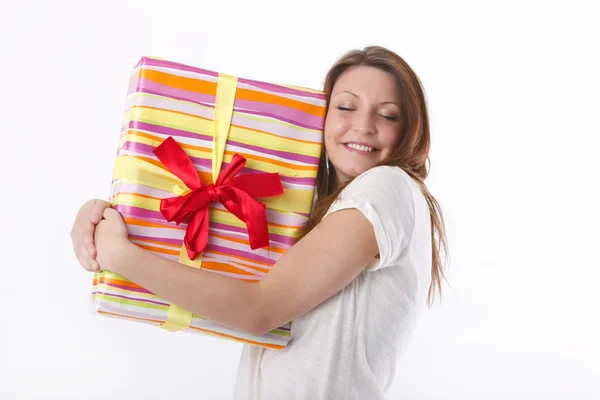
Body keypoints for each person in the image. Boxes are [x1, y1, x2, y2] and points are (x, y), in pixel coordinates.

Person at [70, 45, 447, 399]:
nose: (364, 125)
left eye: (387, 114)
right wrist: (111, 211)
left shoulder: (387, 186)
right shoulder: (323, 210)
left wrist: (120, 254)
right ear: (322, 117)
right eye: (347, 107)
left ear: (411, 129)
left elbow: (257, 310)